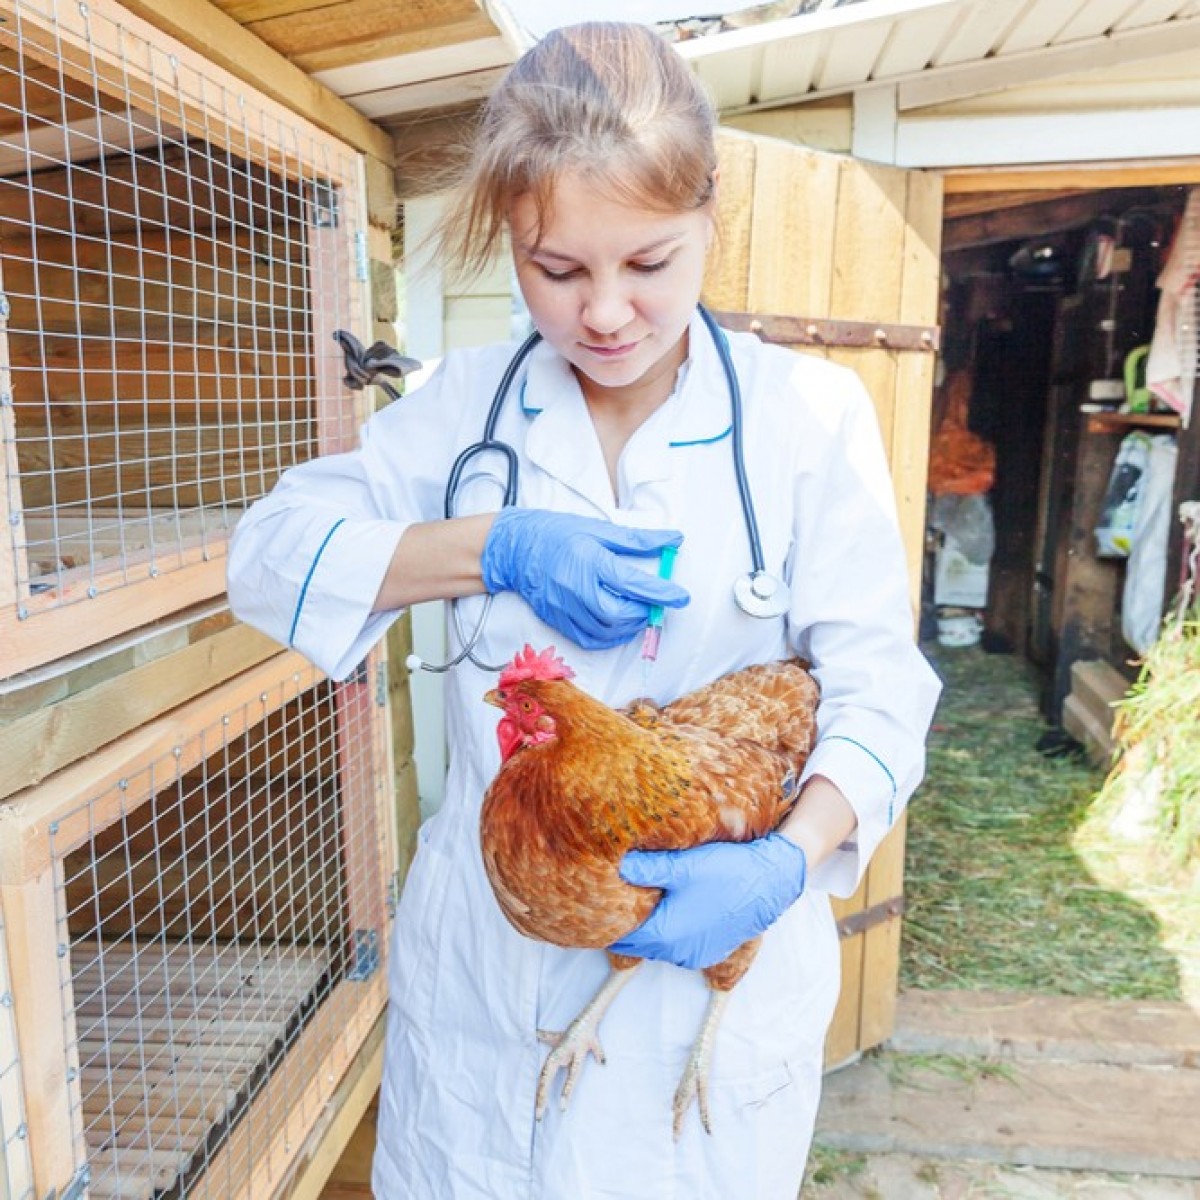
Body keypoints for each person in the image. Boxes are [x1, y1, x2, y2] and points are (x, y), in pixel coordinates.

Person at [227, 20, 940, 1198]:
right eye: (556, 270)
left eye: (648, 263)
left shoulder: (806, 420)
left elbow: (882, 687)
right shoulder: (462, 410)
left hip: (699, 1018)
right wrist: (492, 547)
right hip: (485, 993)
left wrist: (788, 859)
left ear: (710, 215)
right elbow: (267, 555)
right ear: (510, 239)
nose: (605, 312)